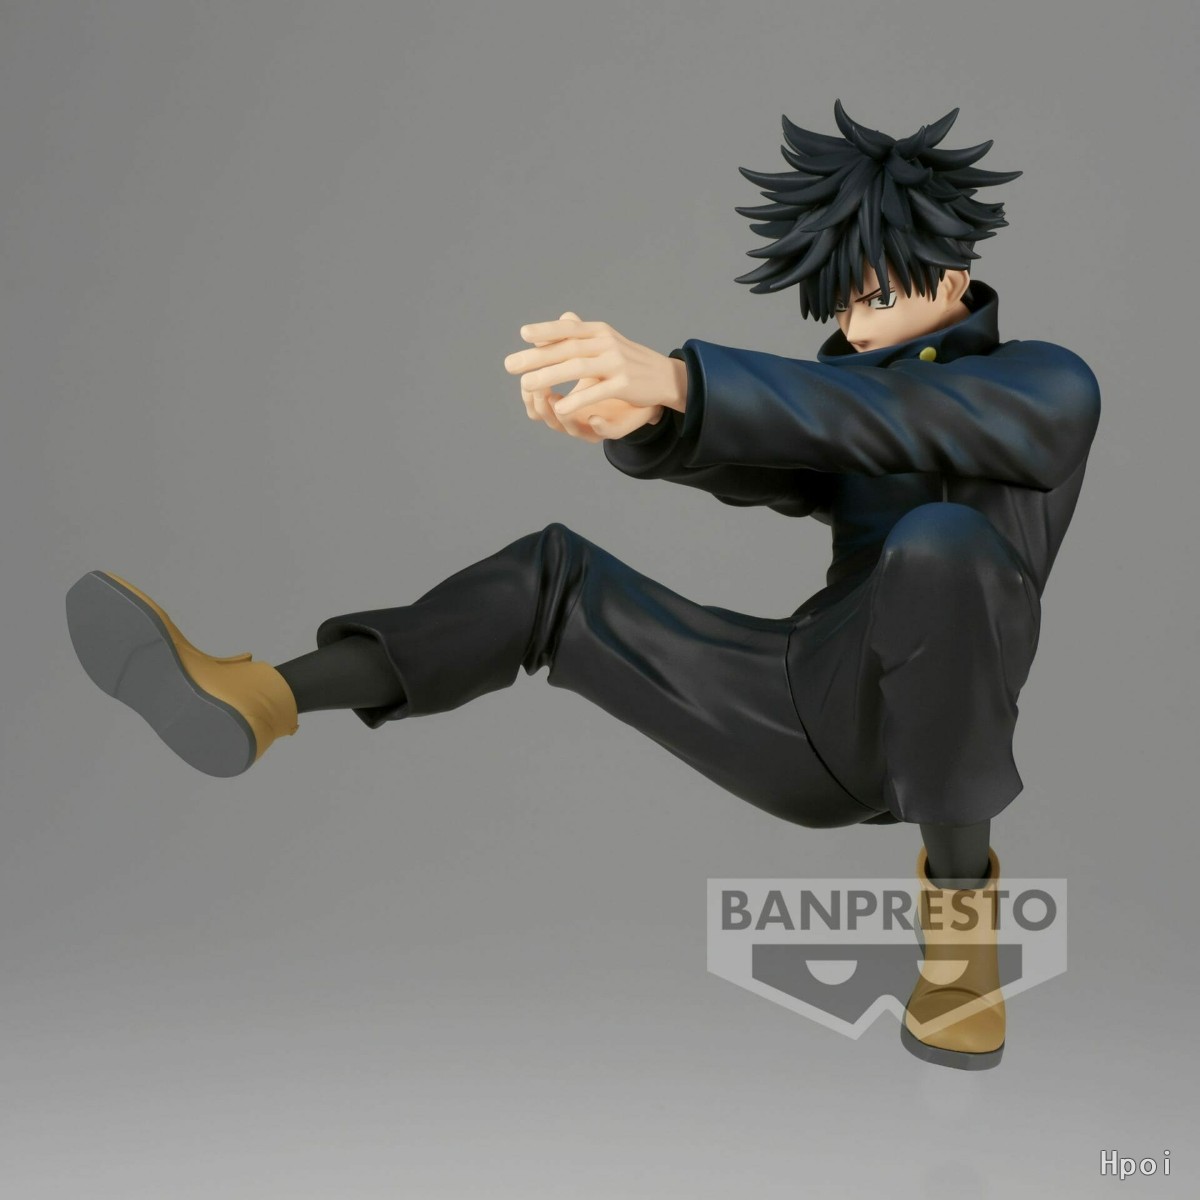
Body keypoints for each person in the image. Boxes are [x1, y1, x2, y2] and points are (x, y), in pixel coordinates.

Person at [66, 102, 1100, 1070]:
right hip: (801, 704)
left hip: (935, 717)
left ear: (954, 268)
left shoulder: (1049, 386)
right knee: (555, 575)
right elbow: (792, 447)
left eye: (874, 296)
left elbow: (908, 422)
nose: (858, 330)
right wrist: (650, 422)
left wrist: (687, 378)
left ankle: (960, 961)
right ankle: (263, 697)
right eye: (839, 306)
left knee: (941, 544)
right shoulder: (841, 396)